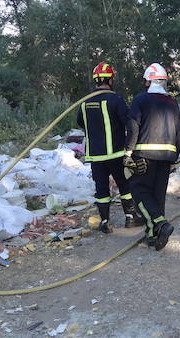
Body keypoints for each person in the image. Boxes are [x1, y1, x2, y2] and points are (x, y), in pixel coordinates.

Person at [76, 62, 144, 233]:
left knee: (101, 188)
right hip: (115, 152)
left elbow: (80, 122)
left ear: (96, 81)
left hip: (95, 155)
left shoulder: (85, 102)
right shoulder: (116, 99)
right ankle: (130, 217)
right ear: (111, 79)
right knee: (124, 184)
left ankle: (104, 221)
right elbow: (128, 122)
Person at [123, 63, 180, 251]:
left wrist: (127, 153)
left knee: (139, 191)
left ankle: (160, 224)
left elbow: (133, 127)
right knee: (157, 194)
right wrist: (175, 158)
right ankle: (153, 234)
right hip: (166, 156)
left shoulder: (140, 100)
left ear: (148, 81)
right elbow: (179, 134)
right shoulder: (173, 103)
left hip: (144, 154)